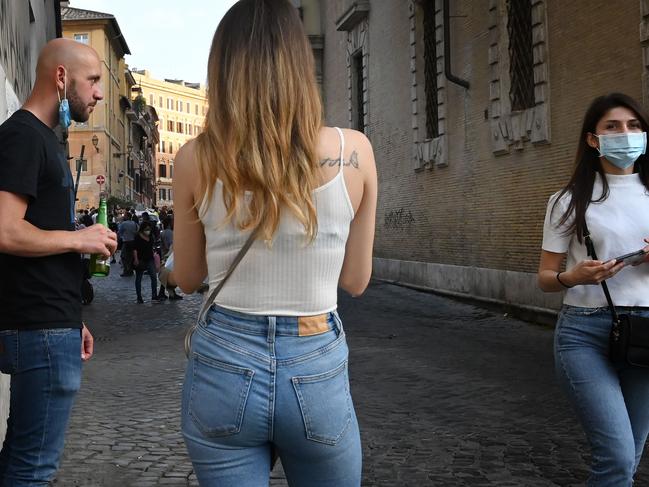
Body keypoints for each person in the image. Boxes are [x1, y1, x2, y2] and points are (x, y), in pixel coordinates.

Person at [171, 1, 377, 485]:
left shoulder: (194, 158)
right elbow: (356, 280)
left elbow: (187, 278)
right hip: (314, 356)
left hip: (225, 357)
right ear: (300, 64)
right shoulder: (353, 152)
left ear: (222, 70)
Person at [0, 38, 116, 485]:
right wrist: (78, 239)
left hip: (50, 324)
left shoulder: (42, 139)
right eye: (93, 81)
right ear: (61, 78)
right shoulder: (22, 136)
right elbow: (6, 231)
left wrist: (73, 318)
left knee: (18, 460)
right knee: (33, 469)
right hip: (39, 329)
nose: (99, 93)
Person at [538, 92, 649, 486]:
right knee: (617, 458)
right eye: (613, 126)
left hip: (646, 334)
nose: (626, 134)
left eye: (634, 126)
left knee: (630, 459)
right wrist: (576, 276)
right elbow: (546, 278)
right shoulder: (568, 201)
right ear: (592, 139)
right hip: (585, 332)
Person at [132, 221, 161, 304]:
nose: (148, 231)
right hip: (140, 259)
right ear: (142, 229)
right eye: (146, 229)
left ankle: (154, 296)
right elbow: (135, 249)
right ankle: (139, 297)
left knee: (153, 277)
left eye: (149, 229)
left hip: (150, 259)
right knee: (139, 278)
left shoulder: (151, 236)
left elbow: (151, 247)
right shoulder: (138, 237)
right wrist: (136, 259)